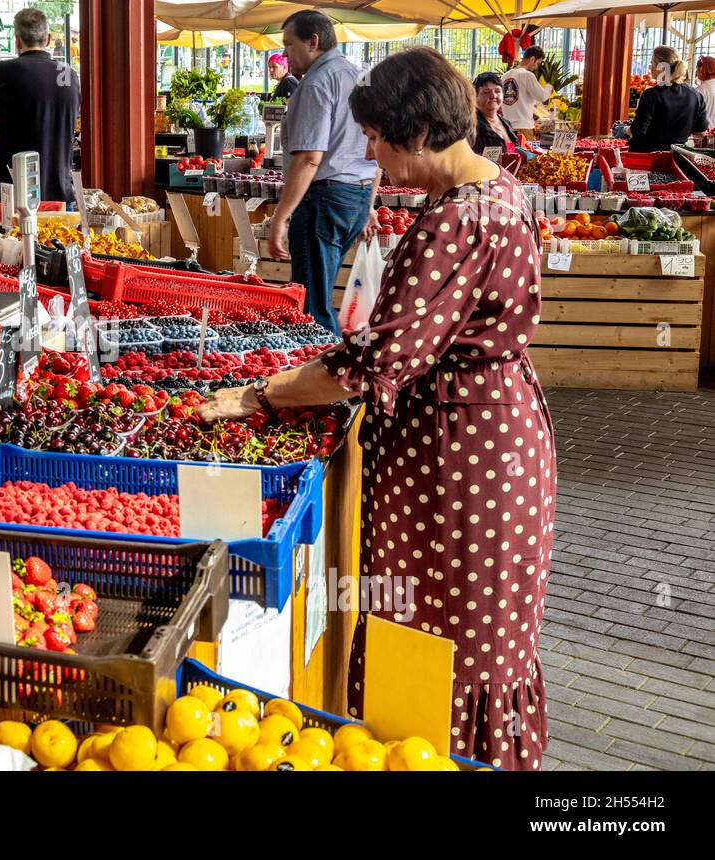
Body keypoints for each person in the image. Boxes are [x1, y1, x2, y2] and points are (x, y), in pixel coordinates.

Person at [199, 47, 556, 771]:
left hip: (460, 457)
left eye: (377, 137)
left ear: (418, 131)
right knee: (486, 632)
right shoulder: (501, 191)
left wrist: (259, 395)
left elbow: (372, 363)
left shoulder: (454, 225)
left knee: (442, 632)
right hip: (500, 435)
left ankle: (438, 755)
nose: (368, 150)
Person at [265, 10, 380, 335]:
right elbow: (375, 150)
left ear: (313, 41)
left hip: (324, 200)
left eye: (289, 44)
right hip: (354, 198)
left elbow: (309, 159)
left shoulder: (316, 83)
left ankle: (331, 380)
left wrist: (280, 218)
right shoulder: (359, 75)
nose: (285, 53)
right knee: (319, 294)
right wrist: (368, 204)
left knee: (312, 308)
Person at [0, 8, 80, 202]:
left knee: (14, 234)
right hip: (61, 194)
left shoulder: (4, 71)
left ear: (17, 39)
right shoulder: (69, 74)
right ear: (48, 39)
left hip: (15, 195)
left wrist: (3, 128)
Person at [628, 46, 709, 153]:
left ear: (662, 68)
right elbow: (700, 132)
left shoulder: (651, 95)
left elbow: (638, 131)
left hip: (647, 158)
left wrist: (625, 130)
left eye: (652, 63)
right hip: (677, 156)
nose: (650, 66)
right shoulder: (696, 95)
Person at [501, 46, 551, 138]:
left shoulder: (505, 76)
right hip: (523, 128)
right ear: (532, 59)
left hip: (506, 127)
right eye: (538, 63)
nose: (536, 67)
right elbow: (543, 97)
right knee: (524, 152)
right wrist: (550, 85)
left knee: (511, 152)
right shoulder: (527, 75)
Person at [471, 72, 520, 156]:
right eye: (486, 92)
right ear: (475, 96)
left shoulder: (506, 123)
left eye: (497, 91)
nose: (493, 95)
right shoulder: (470, 126)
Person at [697, 56, 715, 127]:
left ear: (702, 69)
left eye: (697, 68)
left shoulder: (700, 90)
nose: (696, 71)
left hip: (703, 132)